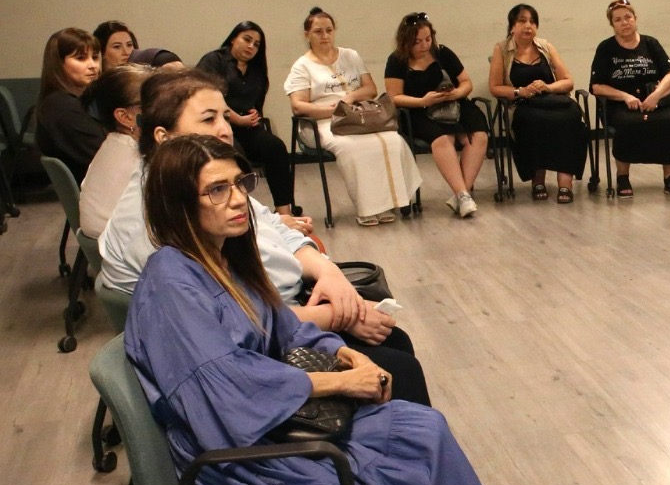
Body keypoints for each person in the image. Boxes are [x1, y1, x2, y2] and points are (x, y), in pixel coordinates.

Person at [124, 134, 567, 485]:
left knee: (422, 429)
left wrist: (345, 354)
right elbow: (225, 391)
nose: (238, 199)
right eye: (217, 190)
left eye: (240, 183)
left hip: (274, 430)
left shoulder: (222, 259)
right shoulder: (171, 284)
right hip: (236, 464)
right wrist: (338, 385)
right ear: (177, 204)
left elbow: (285, 328)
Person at [99, 69, 431, 405]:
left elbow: (273, 226)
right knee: (398, 369)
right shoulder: (156, 219)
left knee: (395, 345)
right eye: (209, 119)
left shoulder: (205, 179)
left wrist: (328, 273)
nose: (225, 129)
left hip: (282, 317)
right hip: (254, 352)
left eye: (226, 116)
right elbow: (231, 327)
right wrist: (340, 316)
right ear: (164, 136)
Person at [284, 7, 421, 226]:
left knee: (393, 140)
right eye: (318, 31)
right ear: (307, 35)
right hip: (323, 120)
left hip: (358, 115)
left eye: (329, 30)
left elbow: (371, 89)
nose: (325, 36)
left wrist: (350, 98)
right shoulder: (302, 66)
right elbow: (298, 106)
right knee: (353, 148)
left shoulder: (350, 55)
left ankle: (391, 202)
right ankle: (368, 208)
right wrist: (333, 110)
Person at [384, 12, 490, 218]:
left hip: (453, 105)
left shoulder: (443, 53)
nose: (424, 45)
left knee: (479, 135)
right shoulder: (396, 60)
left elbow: (466, 82)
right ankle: (463, 194)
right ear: (406, 42)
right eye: (417, 42)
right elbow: (394, 97)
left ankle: (462, 194)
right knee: (443, 138)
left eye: (428, 39)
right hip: (418, 110)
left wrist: (456, 93)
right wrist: (423, 101)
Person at [588, 0, 670, 198]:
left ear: (635, 18)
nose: (624, 22)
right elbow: (596, 86)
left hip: (654, 101)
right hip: (621, 104)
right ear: (612, 24)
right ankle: (623, 177)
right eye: (618, 20)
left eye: (628, 17)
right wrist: (625, 96)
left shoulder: (651, 43)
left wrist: (656, 96)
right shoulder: (606, 48)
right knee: (627, 123)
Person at [488, 4, 588, 202]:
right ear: (512, 27)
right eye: (522, 21)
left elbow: (568, 81)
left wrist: (548, 87)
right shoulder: (502, 49)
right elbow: (495, 87)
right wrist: (520, 91)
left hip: (552, 100)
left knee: (572, 116)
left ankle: (565, 183)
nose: (528, 26)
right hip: (523, 103)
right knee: (532, 121)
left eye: (533, 22)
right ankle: (538, 180)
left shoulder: (546, 47)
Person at [196, 21, 295, 214]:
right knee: (235, 154)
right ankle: (241, 211)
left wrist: (254, 114)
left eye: (256, 44)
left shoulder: (256, 69)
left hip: (246, 128)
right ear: (234, 38)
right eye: (247, 39)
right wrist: (235, 118)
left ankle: (284, 210)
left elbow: (256, 101)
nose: (251, 46)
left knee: (275, 147)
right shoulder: (214, 60)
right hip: (217, 127)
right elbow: (207, 97)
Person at [78, 64, 149, 239]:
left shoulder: (113, 144)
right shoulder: (139, 158)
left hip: (108, 244)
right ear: (125, 117)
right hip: (127, 247)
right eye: (154, 103)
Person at [35, 27, 105, 180]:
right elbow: (106, 157)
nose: (93, 65)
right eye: (81, 58)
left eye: (95, 57)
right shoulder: (63, 108)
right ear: (58, 64)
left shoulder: (60, 101)